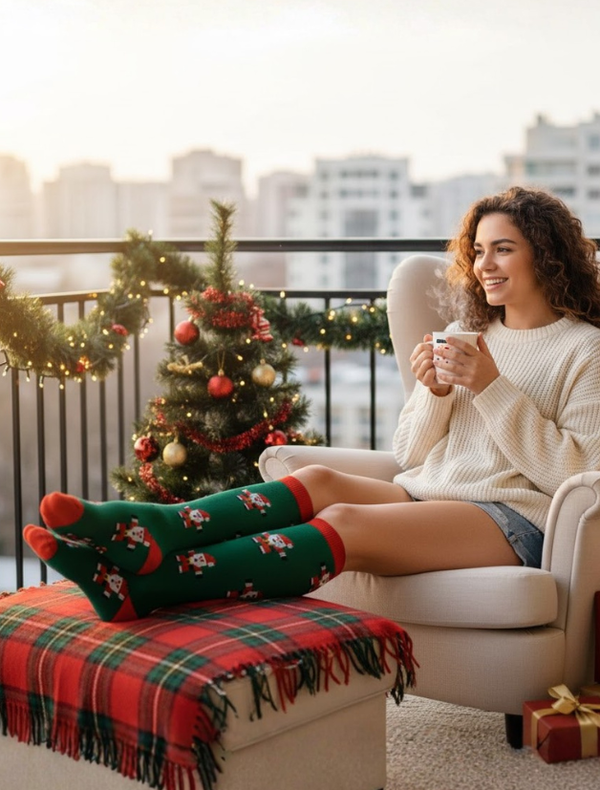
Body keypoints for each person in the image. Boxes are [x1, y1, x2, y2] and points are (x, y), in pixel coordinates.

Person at [24, 186, 600, 623]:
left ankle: (152, 583)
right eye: (478, 251)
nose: (485, 265)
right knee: (320, 479)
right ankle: (152, 531)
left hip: (514, 518)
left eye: (503, 249)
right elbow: (410, 452)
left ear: (545, 255)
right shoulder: (467, 334)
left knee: (343, 520)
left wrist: (492, 388)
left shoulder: (584, 348)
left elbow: (576, 470)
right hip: (430, 490)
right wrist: (436, 391)